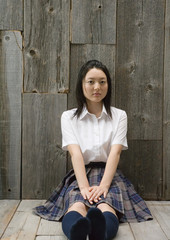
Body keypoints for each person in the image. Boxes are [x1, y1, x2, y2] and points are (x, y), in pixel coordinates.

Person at [34, 60, 152, 240]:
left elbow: (115, 152)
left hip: (109, 175)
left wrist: (104, 186)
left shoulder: (119, 115)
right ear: (81, 85)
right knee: (76, 205)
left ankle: (101, 234)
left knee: (107, 205)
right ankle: (77, 233)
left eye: (102, 82)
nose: (97, 87)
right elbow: (75, 153)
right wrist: (84, 187)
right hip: (81, 174)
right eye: (91, 81)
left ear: (108, 85)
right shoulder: (69, 117)